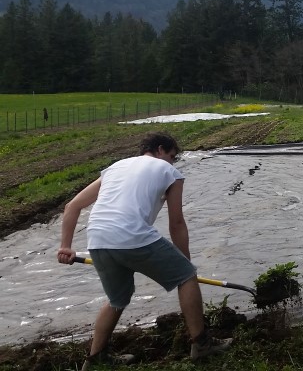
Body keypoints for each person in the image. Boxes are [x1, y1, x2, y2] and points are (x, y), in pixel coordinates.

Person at [57, 132, 232, 369]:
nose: (172, 162)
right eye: (172, 156)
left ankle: (96, 359)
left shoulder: (115, 167)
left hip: (97, 239)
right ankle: (201, 344)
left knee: (117, 299)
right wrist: (185, 264)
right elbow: (177, 223)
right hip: (131, 234)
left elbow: (72, 206)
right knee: (186, 276)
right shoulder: (169, 172)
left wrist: (66, 246)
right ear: (160, 150)